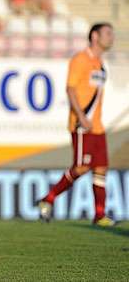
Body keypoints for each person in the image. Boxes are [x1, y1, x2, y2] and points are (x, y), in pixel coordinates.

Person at [38, 23, 115, 227]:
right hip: (82, 125)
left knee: (101, 169)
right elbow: (71, 89)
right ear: (95, 36)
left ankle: (99, 215)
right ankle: (48, 198)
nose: (112, 37)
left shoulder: (99, 63)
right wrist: (80, 116)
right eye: (108, 33)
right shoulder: (80, 59)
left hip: (98, 126)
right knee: (81, 167)